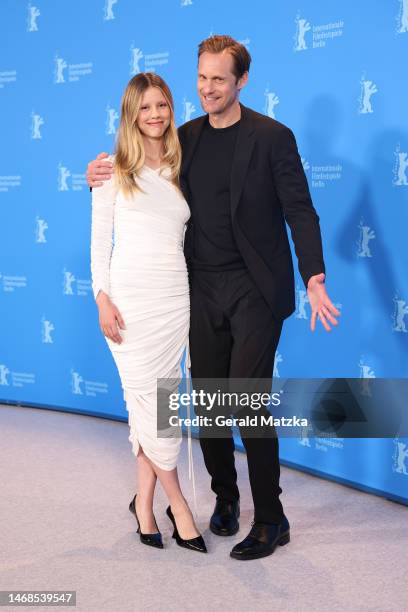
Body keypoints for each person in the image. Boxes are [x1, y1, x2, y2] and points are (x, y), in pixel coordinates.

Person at [87, 35, 340, 561]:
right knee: (210, 405)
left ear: (241, 80)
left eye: (218, 79)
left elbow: (300, 210)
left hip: (255, 289)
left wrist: (313, 275)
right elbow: (141, 180)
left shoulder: (273, 137)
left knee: (246, 401)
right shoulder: (185, 139)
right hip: (198, 289)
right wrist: (92, 177)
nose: (207, 88)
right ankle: (226, 500)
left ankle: (271, 517)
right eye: (201, 78)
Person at [90, 72, 206, 554]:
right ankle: (178, 506)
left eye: (162, 106)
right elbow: (100, 243)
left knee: (154, 408)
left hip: (175, 301)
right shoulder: (112, 169)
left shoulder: (183, 167)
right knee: (152, 408)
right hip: (130, 305)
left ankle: (143, 505)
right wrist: (102, 297)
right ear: (131, 115)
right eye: (145, 108)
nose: (155, 115)